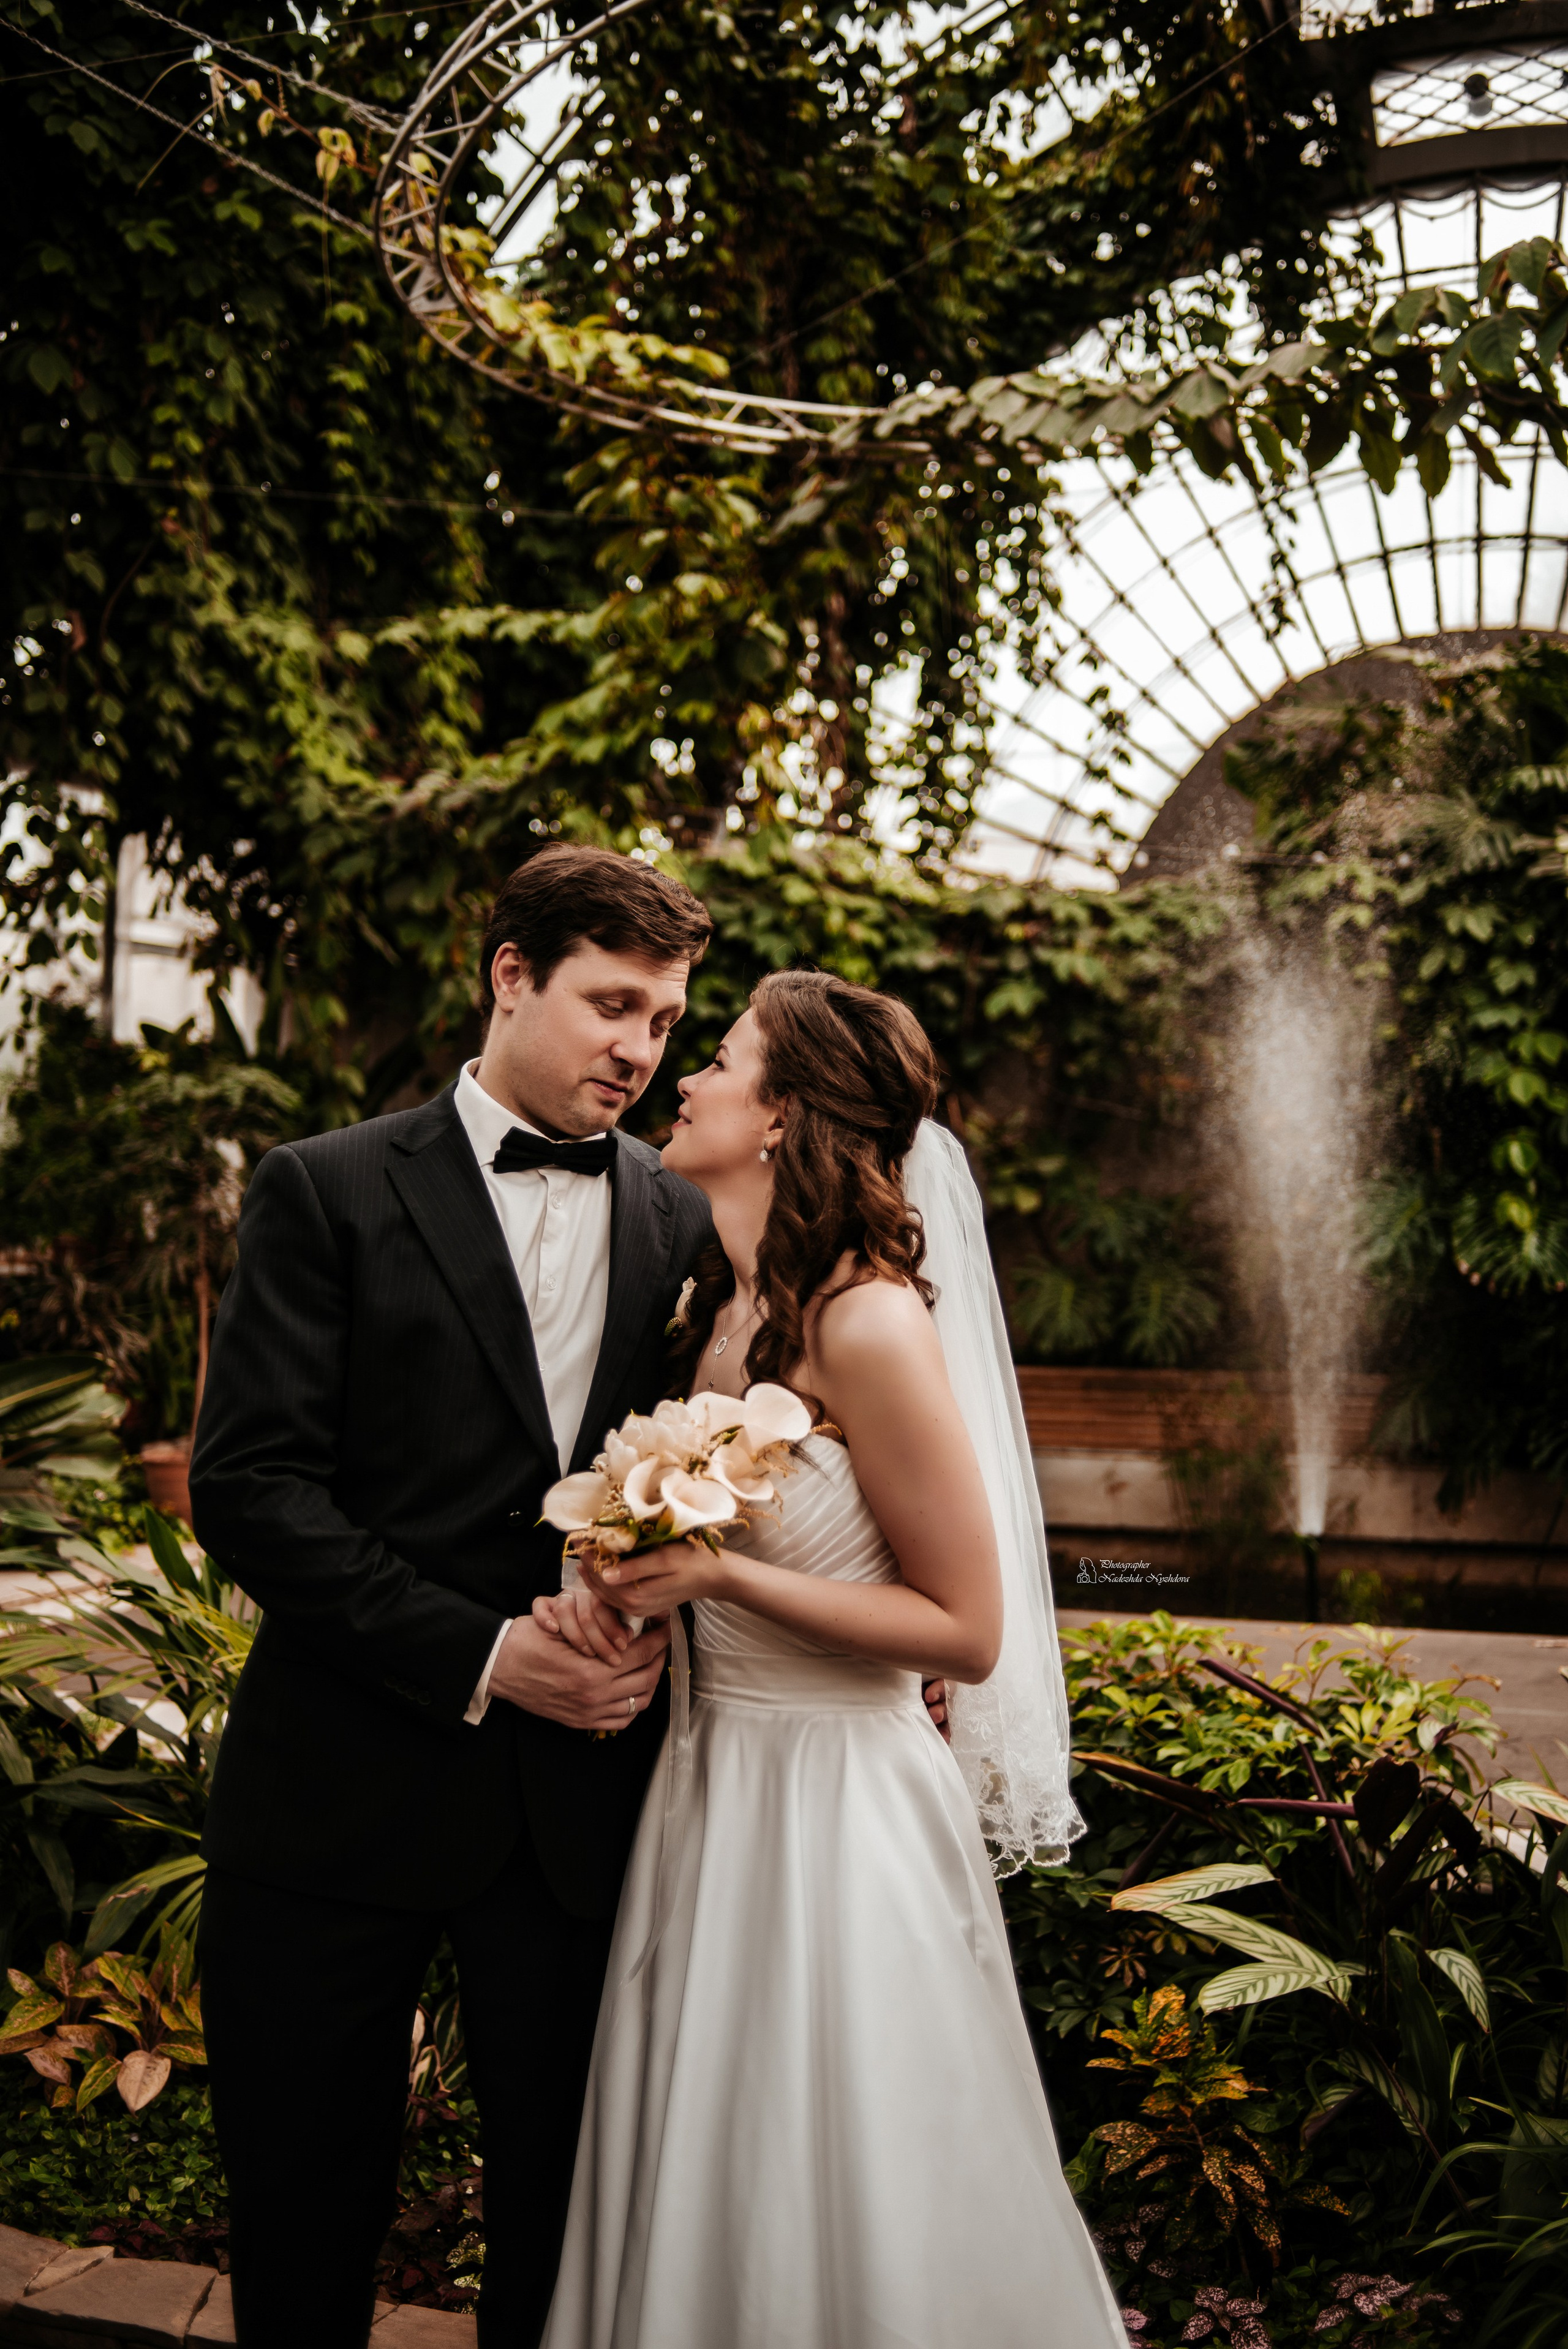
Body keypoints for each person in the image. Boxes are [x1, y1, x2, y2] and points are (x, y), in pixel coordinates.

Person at [537, 970, 1126, 2349]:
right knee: (715, 2163)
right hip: (709, 1791)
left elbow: (965, 1628)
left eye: (717, 1057)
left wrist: (717, 1571)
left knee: (850, 2177)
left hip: (838, 1814)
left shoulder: (869, 1323)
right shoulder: (723, 1318)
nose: (681, 1078)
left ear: (780, 1117)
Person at [189, 846, 718, 2349]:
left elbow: (731, 1480)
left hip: (575, 1821)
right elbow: (251, 1489)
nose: (637, 1047)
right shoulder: (327, 1187)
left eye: (667, 1022)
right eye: (611, 1003)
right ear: (509, 975)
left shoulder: (681, 1221)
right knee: (303, 2217)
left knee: (560, 2233)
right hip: (332, 1802)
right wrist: (486, 1653)